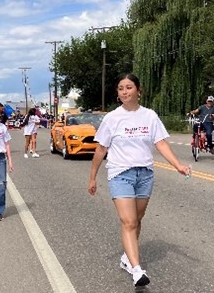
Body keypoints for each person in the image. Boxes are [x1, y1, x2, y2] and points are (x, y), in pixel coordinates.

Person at [87, 74, 191, 288]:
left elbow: (161, 143)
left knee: (138, 219)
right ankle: (136, 270)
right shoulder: (112, 118)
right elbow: (101, 149)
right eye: (120, 88)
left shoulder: (149, 116)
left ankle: (127, 257)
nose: (124, 92)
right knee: (129, 221)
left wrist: (178, 165)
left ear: (138, 90)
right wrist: (92, 177)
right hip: (120, 173)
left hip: (145, 174)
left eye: (129, 87)